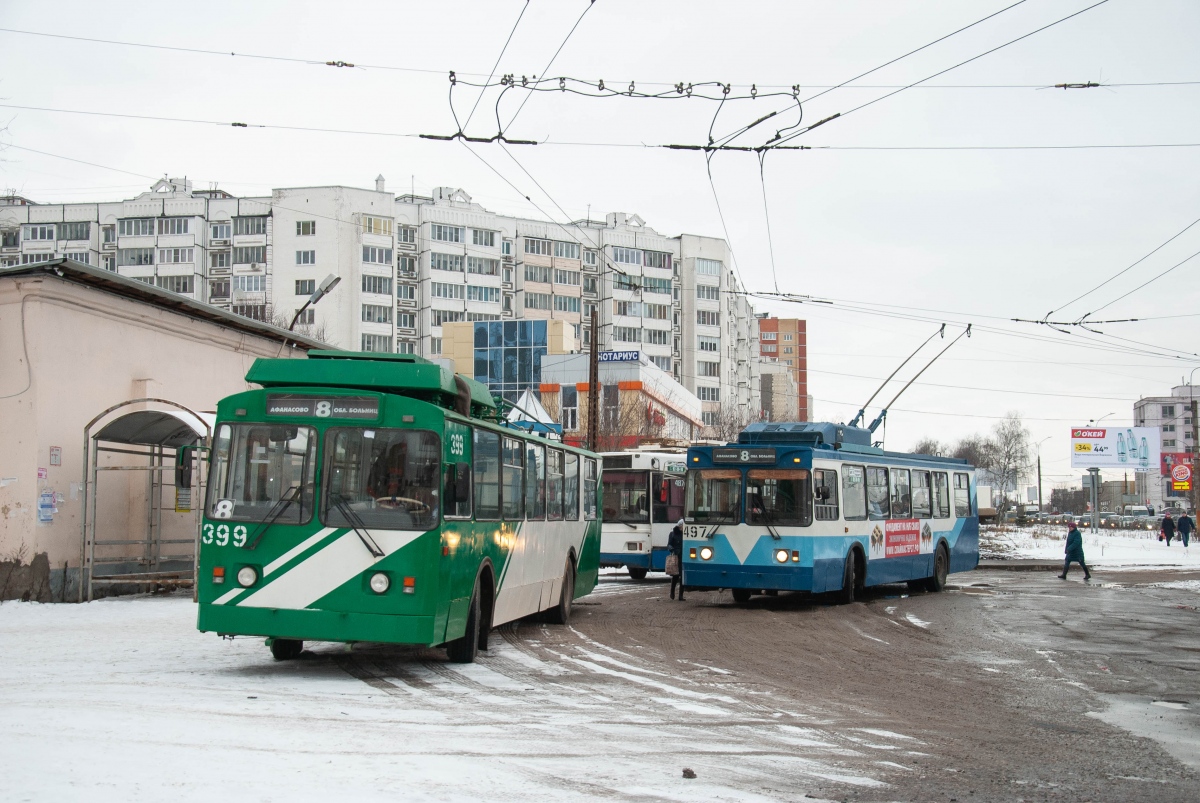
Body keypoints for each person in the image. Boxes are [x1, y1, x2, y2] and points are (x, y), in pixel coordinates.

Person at [667, 518, 685, 601]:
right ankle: (672, 592)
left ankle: (681, 595)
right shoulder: (672, 534)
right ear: (680, 526)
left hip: (684, 557)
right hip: (676, 557)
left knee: (682, 577)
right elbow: (669, 544)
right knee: (675, 576)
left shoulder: (686, 534)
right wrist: (671, 549)